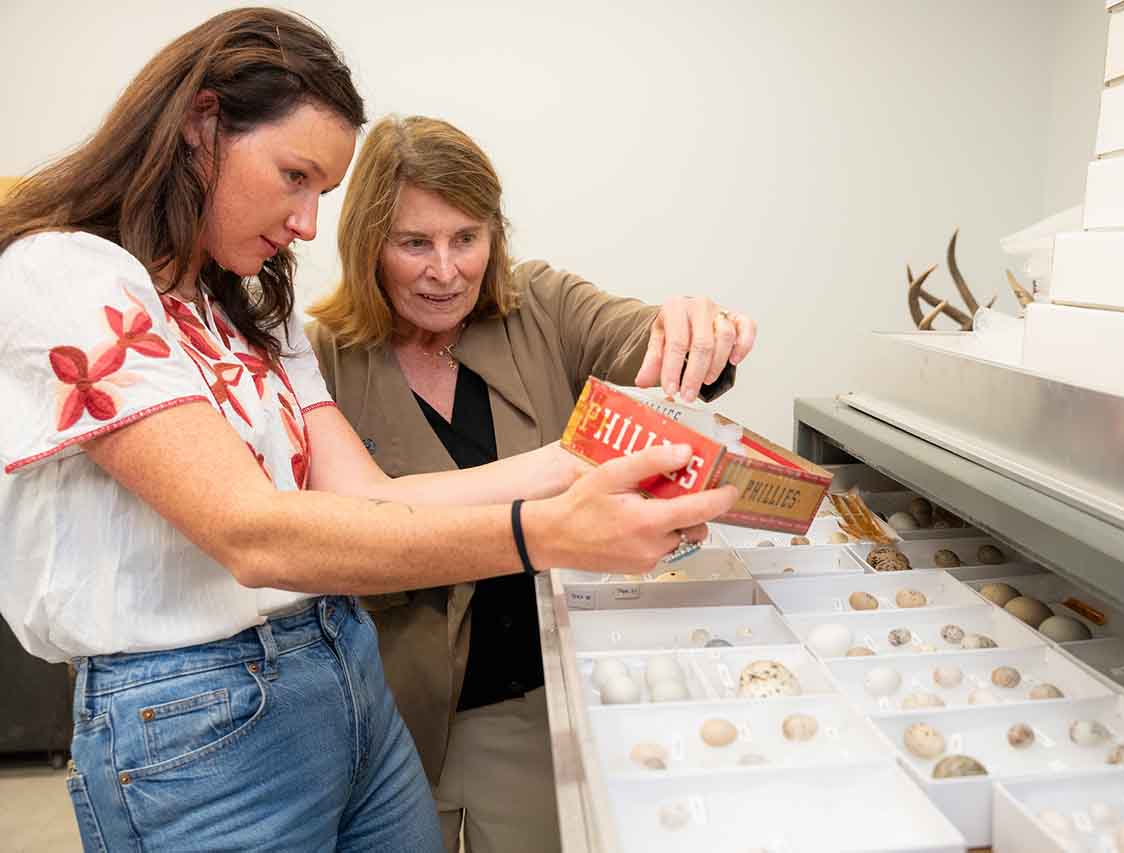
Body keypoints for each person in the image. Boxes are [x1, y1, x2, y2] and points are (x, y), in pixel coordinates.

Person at [0, 11, 736, 852]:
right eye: (294, 176)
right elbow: (253, 534)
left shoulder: (250, 309)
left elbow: (378, 500)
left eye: (324, 191)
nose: (307, 222)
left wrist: (575, 461)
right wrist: (547, 532)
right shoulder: (65, 274)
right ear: (202, 125)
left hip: (344, 673)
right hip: (195, 718)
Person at [307, 114, 757, 853]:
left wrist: (696, 331)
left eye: (466, 238)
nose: (445, 269)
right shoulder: (321, 357)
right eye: (414, 242)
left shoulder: (541, 306)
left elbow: (637, 334)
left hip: (528, 705)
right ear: (365, 247)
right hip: (381, 715)